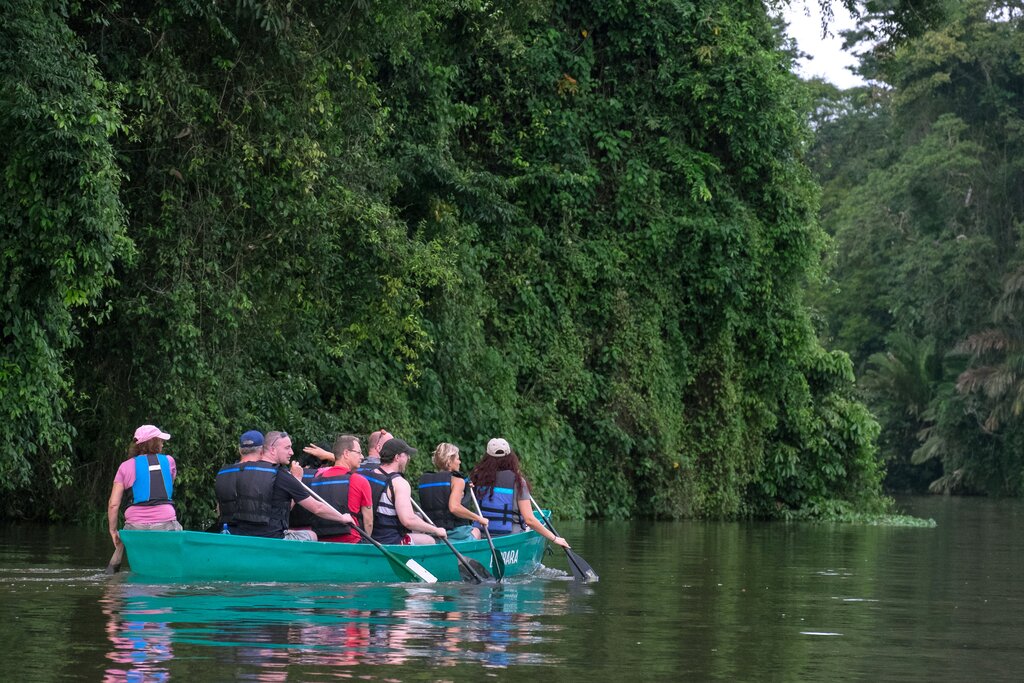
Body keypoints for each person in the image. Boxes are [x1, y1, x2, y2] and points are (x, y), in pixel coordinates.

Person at [214, 430, 353, 540]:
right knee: (312, 535)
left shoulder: (225, 473)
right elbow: (317, 508)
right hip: (270, 538)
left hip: (233, 534)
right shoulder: (280, 474)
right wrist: (342, 518)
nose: (291, 452)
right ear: (271, 450)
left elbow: (220, 510)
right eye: (287, 448)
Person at [470, 437, 569, 548]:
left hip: (483, 534)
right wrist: (555, 538)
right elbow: (529, 519)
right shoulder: (517, 481)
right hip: (509, 536)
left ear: (486, 458)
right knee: (530, 526)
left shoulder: (475, 479)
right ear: (510, 458)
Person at [107, 425, 183, 552]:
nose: (163, 444)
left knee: (122, 542)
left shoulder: (125, 466)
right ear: (153, 442)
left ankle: (117, 561)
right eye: (160, 440)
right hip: (165, 524)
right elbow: (168, 485)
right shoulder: (169, 461)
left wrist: (113, 531)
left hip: (135, 526)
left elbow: (113, 504)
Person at [365, 438, 446, 545]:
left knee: (418, 525)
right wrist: (435, 530)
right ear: (397, 457)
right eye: (406, 455)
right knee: (429, 540)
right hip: (390, 542)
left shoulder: (368, 475)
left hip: (369, 538)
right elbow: (407, 521)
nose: (409, 458)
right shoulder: (399, 483)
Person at [304, 434, 373, 543]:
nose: (362, 457)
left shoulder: (316, 479)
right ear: (346, 453)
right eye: (359, 452)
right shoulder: (360, 481)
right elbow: (368, 521)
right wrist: (366, 543)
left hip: (321, 542)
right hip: (352, 543)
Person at [417, 443, 486, 542]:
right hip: (455, 534)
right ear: (449, 461)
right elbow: (454, 508)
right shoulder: (457, 481)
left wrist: (464, 488)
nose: (460, 462)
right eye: (457, 459)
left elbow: (442, 494)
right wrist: (478, 518)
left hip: (433, 533)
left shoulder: (425, 480)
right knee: (476, 531)